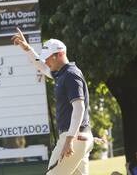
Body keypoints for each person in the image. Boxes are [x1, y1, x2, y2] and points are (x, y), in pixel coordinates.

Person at [12, 28, 94, 175]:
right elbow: (42, 67)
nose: (46, 61)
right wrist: (28, 49)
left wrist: (69, 140)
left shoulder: (70, 75)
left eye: (49, 57)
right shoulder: (62, 73)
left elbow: (79, 108)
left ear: (60, 54)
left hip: (74, 138)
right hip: (80, 137)